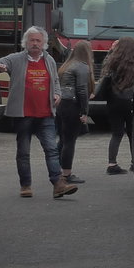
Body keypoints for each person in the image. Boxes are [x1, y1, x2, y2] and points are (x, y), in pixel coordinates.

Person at [0, 26, 79, 199]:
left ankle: (58, 184)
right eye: (32, 40)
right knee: (23, 152)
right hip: (23, 114)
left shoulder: (49, 60)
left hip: (45, 114)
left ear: (44, 43)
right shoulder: (15, 59)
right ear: (26, 42)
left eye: (38, 40)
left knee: (52, 149)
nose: (35, 44)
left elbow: (56, 82)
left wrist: (58, 94)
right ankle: (25, 185)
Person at [96, 36, 134, 175]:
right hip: (131, 101)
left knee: (116, 133)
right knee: (132, 133)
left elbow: (104, 73)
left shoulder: (113, 61)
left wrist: (111, 51)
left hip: (114, 101)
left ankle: (112, 164)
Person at [56, 40, 94, 185]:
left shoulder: (66, 66)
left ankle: (56, 169)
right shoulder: (82, 67)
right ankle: (66, 174)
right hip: (73, 105)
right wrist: (84, 112)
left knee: (63, 139)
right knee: (70, 141)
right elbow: (82, 91)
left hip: (61, 105)